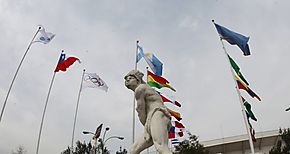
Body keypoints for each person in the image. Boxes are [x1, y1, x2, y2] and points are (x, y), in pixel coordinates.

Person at [124, 70, 172, 154]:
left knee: (161, 147)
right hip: (152, 118)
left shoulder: (140, 89)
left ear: (138, 80)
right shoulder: (144, 88)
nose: (127, 80)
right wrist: (147, 127)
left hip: (157, 114)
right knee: (133, 150)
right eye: (126, 79)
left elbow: (141, 110)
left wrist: (146, 126)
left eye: (131, 78)